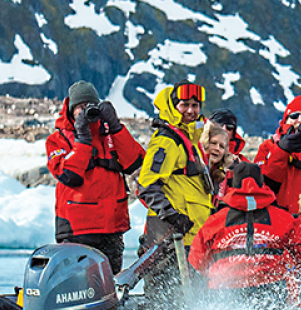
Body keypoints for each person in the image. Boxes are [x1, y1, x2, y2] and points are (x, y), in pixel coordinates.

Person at [44, 80, 144, 272]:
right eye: (80, 107)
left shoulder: (109, 135)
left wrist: (116, 127)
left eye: (90, 106)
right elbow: (68, 175)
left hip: (111, 228)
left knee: (109, 282)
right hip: (77, 230)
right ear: (71, 110)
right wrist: (82, 141)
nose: (85, 111)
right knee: (77, 282)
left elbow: (135, 162)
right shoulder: (57, 140)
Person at [187, 162, 300, 308]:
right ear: (262, 184)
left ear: (233, 185)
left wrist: (214, 273)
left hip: (224, 287)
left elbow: (197, 259)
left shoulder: (216, 221)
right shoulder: (284, 218)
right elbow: (299, 250)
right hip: (270, 286)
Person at [137, 81, 217, 257]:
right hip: (173, 240)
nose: (190, 110)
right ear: (174, 106)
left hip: (192, 238)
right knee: (168, 284)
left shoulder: (190, 140)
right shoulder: (167, 141)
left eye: (195, 105)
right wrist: (173, 218)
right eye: (185, 105)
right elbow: (147, 186)